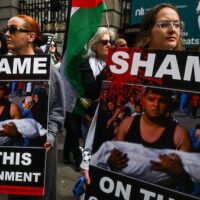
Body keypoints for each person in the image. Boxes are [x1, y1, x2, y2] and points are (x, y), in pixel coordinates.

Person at [80, 3, 189, 187]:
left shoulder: (190, 72)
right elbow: (102, 117)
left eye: (177, 24)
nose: (173, 29)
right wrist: (88, 161)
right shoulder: (126, 67)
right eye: (164, 24)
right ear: (149, 31)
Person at [5, 14, 65, 200]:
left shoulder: (49, 70)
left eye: (13, 30)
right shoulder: (5, 68)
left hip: (41, 146)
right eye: (6, 29)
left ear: (31, 37)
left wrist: (51, 137)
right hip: (13, 145)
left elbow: (56, 110)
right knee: (16, 191)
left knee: (40, 193)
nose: (7, 34)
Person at [62, 27, 115, 171]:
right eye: (104, 42)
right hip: (91, 118)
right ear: (94, 45)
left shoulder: (119, 65)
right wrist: (108, 69)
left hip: (112, 119)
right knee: (91, 159)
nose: (109, 45)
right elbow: (90, 91)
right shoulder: (86, 64)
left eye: (111, 42)